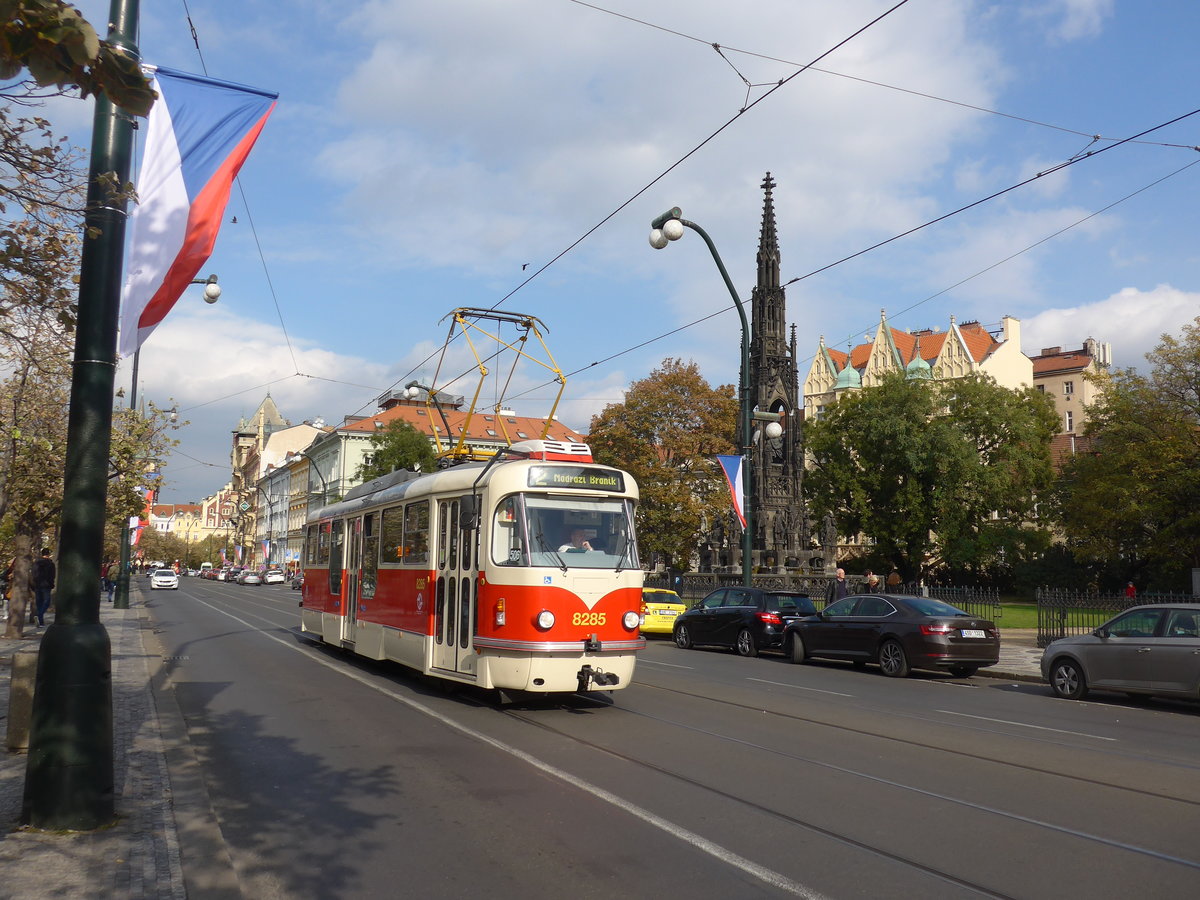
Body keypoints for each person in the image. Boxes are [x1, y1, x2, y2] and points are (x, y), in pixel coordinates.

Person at [32, 547, 56, 627]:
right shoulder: (50, 564)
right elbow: (52, 575)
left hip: (38, 585)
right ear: (48, 554)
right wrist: (51, 584)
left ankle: (40, 622)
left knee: (39, 602)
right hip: (46, 585)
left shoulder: (36, 563)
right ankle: (39, 615)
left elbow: (33, 574)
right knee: (46, 602)